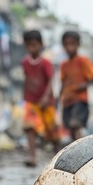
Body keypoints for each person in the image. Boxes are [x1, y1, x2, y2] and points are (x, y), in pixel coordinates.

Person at [21, 30, 59, 167]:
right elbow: (27, 79)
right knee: (29, 128)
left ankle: (57, 154)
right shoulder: (25, 62)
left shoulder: (45, 63)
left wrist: (45, 97)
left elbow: (50, 81)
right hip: (31, 101)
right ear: (26, 45)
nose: (32, 48)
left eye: (35, 45)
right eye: (29, 45)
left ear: (41, 45)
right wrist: (25, 96)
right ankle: (32, 156)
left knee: (52, 131)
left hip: (46, 102)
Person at [59, 31, 93, 141]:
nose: (69, 47)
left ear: (78, 44)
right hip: (67, 100)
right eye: (66, 44)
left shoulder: (83, 61)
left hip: (79, 100)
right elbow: (63, 82)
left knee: (75, 124)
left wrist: (83, 85)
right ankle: (75, 149)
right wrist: (59, 96)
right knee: (69, 127)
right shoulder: (64, 65)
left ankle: (81, 149)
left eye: (72, 44)